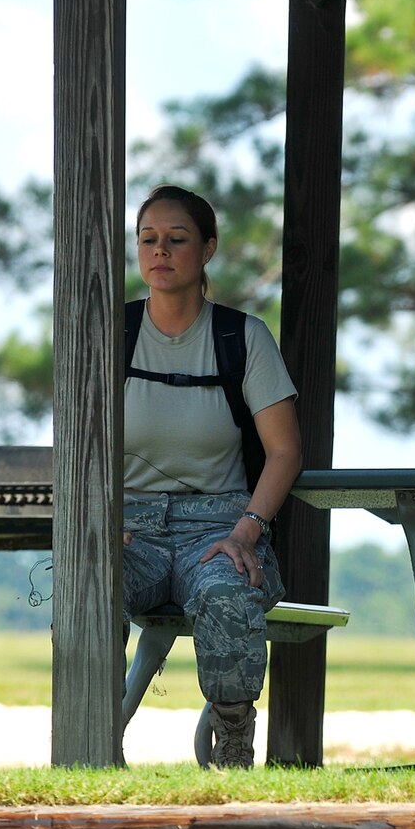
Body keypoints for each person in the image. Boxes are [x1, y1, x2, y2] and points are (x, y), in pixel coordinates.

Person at [123, 185, 301, 767]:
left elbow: (284, 452)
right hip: (129, 527)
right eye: (149, 239)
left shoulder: (241, 337)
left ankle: (231, 738)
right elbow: (77, 447)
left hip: (219, 526)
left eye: (177, 240)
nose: (161, 252)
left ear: (208, 250)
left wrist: (247, 532)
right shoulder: (109, 332)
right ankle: (89, 740)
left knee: (228, 595)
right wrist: (96, 526)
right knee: (86, 586)